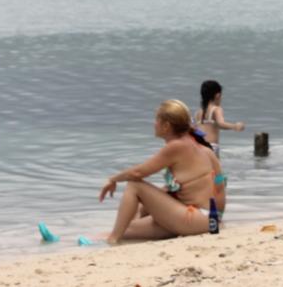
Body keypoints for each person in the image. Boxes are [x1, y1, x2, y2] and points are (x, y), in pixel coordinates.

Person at [96, 99, 227, 244]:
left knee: (135, 185)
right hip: (208, 219)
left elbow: (137, 173)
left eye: (156, 120)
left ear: (166, 126)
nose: (154, 124)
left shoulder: (176, 146)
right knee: (129, 227)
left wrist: (113, 179)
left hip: (196, 218)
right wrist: (217, 219)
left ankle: (112, 240)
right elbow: (220, 184)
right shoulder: (205, 149)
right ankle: (111, 237)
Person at [193, 80, 245, 157]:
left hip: (198, 146)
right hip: (211, 147)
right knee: (215, 168)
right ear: (217, 95)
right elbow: (221, 123)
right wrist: (235, 126)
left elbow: (213, 126)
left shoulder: (198, 113)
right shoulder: (216, 109)